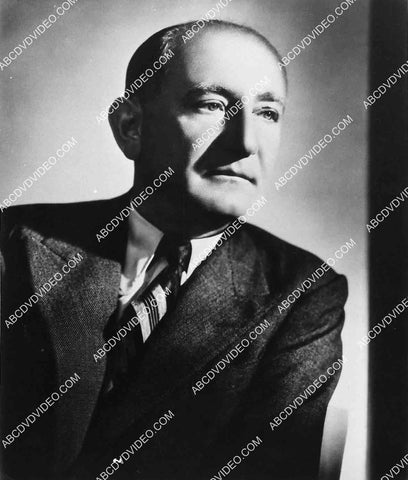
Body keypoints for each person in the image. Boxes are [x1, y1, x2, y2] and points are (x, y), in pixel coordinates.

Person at [0, 19, 347, 480]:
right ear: (131, 126)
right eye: (212, 105)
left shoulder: (301, 292)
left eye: (267, 113)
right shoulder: (14, 243)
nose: (246, 142)